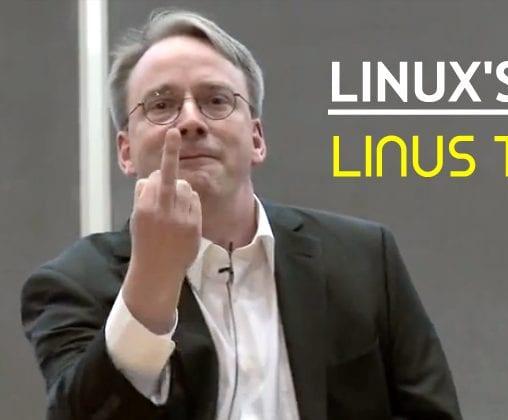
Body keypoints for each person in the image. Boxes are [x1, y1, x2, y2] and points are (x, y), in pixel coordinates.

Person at [20, 9, 461, 420]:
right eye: (161, 105)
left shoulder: (363, 257)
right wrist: (152, 279)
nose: (190, 121)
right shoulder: (72, 285)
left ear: (256, 139)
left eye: (216, 101)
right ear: (126, 151)